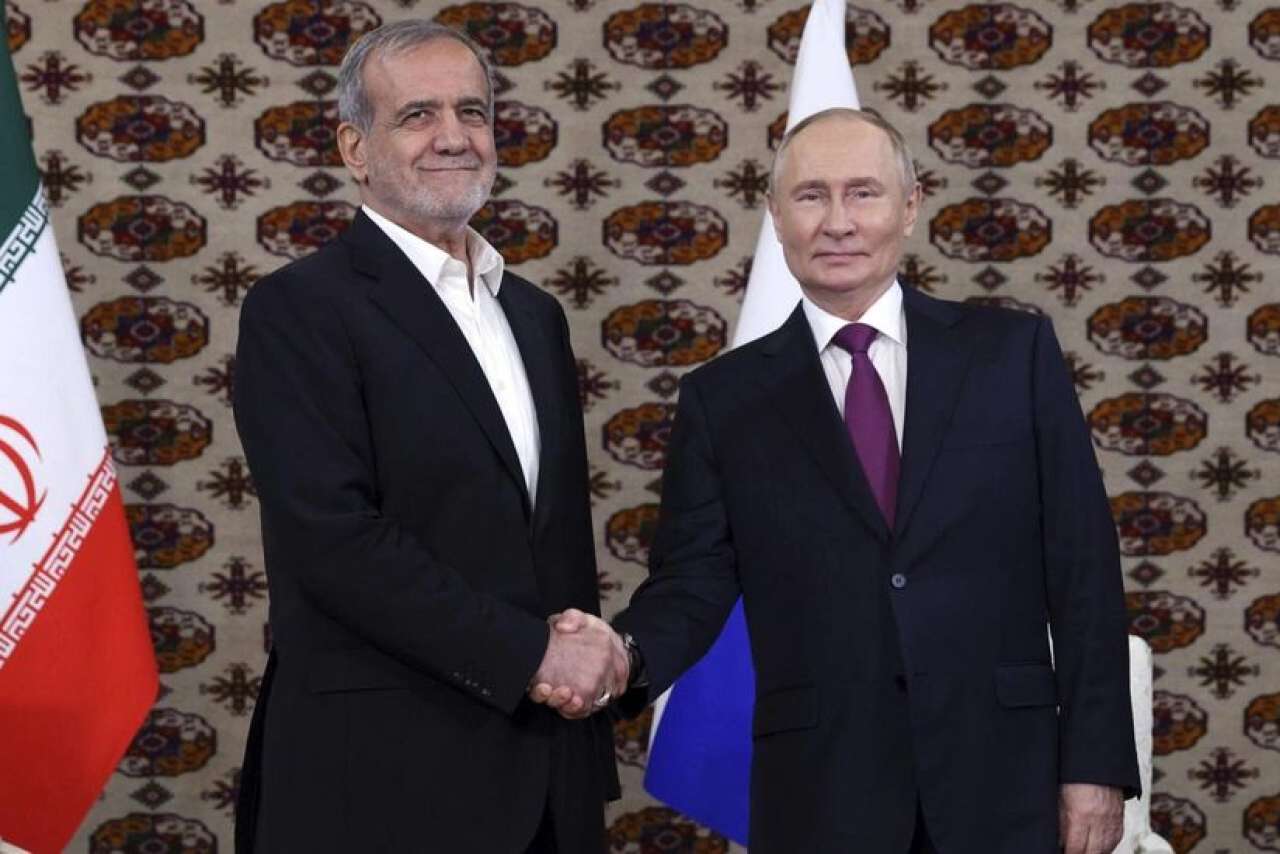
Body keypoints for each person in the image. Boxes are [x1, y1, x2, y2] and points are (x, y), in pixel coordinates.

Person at [536, 109, 1139, 853]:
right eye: (812, 195)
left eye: (863, 193)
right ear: (776, 215)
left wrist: (1095, 766)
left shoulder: (1013, 356)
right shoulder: (723, 400)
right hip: (822, 794)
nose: (838, 222)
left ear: (910, 207)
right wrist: (622, 653)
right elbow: (692, 583)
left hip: (1004, 782)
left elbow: (1084, 574)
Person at [233, 21, 627, 854]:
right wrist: (533, 655)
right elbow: (334, 543)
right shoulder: (299, 310)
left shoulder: (535, 315)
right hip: (381, 783)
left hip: (548, 778)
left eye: (472, 112)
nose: (454, 137)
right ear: (355, 147)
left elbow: (552, 546)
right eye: (418, 115)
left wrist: (582, 685)